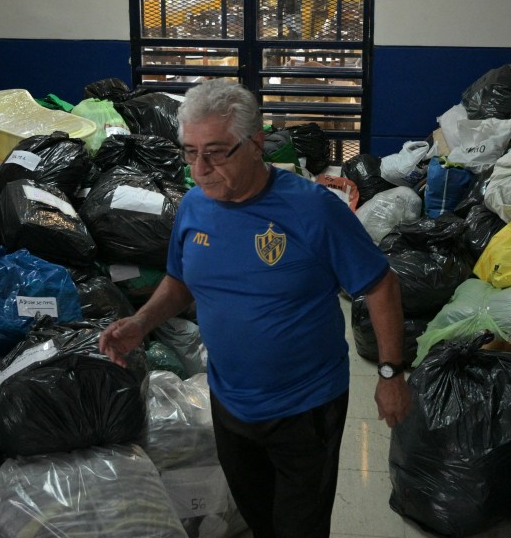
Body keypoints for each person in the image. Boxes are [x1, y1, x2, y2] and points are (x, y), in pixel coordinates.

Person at [99, 79, 411, 538]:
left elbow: (381, 285)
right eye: (189, 152)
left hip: (306, 407)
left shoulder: (313, 210)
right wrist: (142, 322)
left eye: (216, 152)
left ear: (257, 144)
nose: (200, 169)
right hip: (229, 403)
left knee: (298, 528)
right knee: (257, 520)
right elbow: (182, 280)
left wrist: (390, 375)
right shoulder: (192, 208)